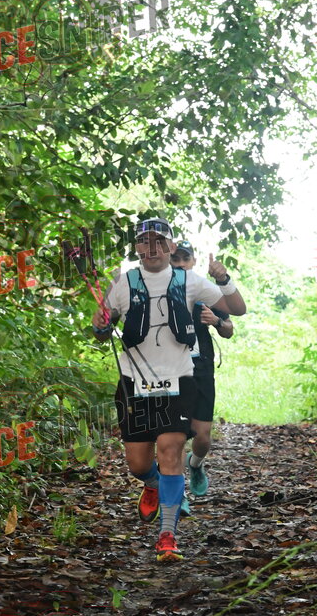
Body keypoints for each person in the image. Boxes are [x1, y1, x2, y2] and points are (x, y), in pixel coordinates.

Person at [91, 217, 244, 562]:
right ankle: (152, 483)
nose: (152, 248)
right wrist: (100, 325)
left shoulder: (189, 280)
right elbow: (102, 331)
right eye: (144, 242)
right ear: (136, 247)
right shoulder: (124, 282)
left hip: (179, 379)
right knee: (137, 464)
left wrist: (223, 279)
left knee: (171, 450)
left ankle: (167, 535)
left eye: (159, 241)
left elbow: (237, 310)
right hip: (133, 382)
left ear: (170, 247)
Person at [170, 240, 245, 514]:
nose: (180, 264)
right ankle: (177, 495)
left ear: (193, 262)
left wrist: (216, 321)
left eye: (185, 259)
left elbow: (230, 328)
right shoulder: (158, 291)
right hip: (169, 371)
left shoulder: (204, 291)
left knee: (202, 437)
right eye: (175, 259)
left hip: (200, 370)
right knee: (175, 436)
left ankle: (196, 464)